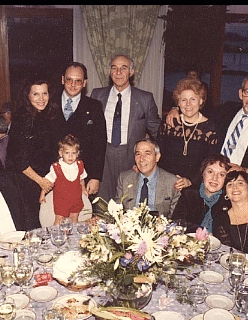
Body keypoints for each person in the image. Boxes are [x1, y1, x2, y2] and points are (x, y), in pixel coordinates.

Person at [166, 76, 248, 203]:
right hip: (211, 180)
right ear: (240, 94)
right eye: (247, 92)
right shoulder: (226, 111)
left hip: (240, 186)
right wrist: (175, 109)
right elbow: (194, 109)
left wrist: (245, 170)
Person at [91, 54, 161, 201]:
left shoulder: (145, 99)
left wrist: (146, 162)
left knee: (128, 204)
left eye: (124, 68)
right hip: (103, 158)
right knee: (101, 205)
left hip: (132, 159)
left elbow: (158, 132)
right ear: (110, 72)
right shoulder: (97, 95)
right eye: (114, 68)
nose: (118, 72)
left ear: (131, 72)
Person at [172, 154, 248, 235]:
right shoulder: (190, 194)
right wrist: (203, 232)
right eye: (210, 172)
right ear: (203, 174)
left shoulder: (229, 198)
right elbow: (176, 222)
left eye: (221, 174)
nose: (214, 178)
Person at [6, 79, 59, 229]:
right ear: (27, 96)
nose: (41, 99)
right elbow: (19, 160)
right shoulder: (23, 119)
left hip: (44, 179)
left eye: (45, 93)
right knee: (33, 225)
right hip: (27, 181)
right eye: (36, 94)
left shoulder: (46, 115)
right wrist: (41, 181)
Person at [52, 62, 107, 196]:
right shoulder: (49, 102)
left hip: (83, 177)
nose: (73, 85)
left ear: (84, 83)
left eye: (78, 81)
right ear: (62, 80)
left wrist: (95, 177)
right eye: (69, 80)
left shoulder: (94, 106)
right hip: (53, 175)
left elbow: (100, 143)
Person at [157, 78, 219, 190]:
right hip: (165, 184)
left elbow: (210, 163)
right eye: (184, 100)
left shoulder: (210, 128)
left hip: (194, 187)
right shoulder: (169, 123)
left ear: (200, 101)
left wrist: (190, 181)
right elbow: (158, 152)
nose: (188, 104)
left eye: (193, 99)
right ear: (178, 102)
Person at [114, 139, 181, 219]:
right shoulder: (125, 179)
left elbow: (175, 220)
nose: (142, 159)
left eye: (147, 153)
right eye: (138, 154)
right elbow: (117, 212)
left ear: (157, 157)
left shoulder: (172, 182)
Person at [40, 134, 88, 225]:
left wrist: (84, 189)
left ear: (77, 154)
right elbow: (48, 181)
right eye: (67, 153)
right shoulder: (56, 167)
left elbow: (81, 179)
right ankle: (56, 237)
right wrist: (43, 194)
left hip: (76, 199)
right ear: (61, 153)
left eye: (73, 153)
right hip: (61, 200)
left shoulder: (80, 165)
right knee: (59, 220)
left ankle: (73, 238)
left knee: (74, 218)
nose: (70, 156)